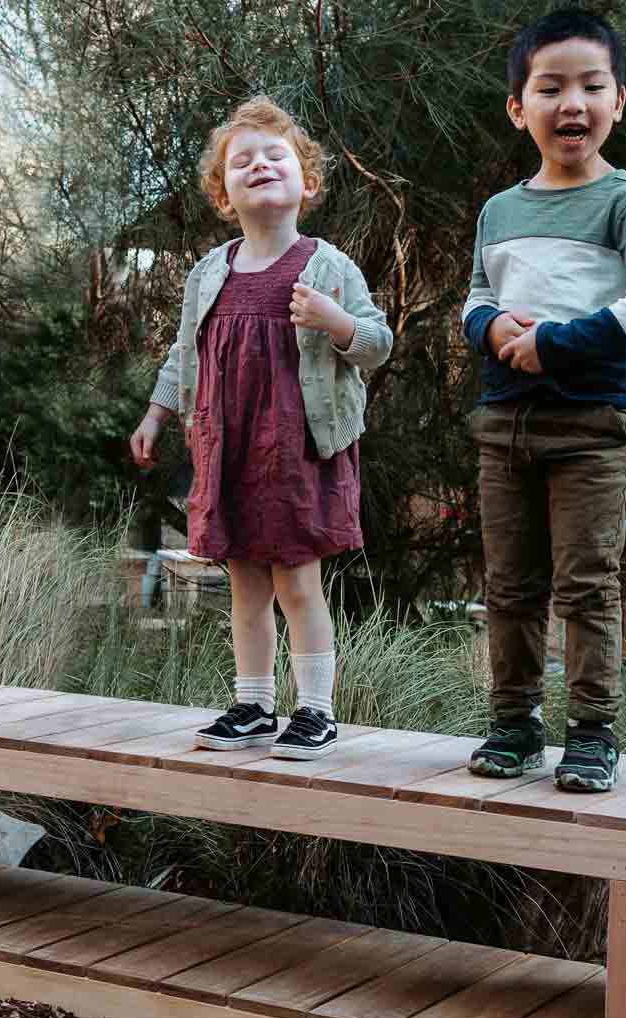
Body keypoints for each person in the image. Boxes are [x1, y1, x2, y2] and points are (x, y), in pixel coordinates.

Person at [460, 9, 626, 792]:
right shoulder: (501, 210)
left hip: (591, 425)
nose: (572, 103)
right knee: (510, 585)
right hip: (504, 424)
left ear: (618, 101)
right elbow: (476, 298)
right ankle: (513, 724)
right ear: (520, 108)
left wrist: (556, 341)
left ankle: (592, 731)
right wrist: (489, 330)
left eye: (592, 86)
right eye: (550, 87)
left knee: (586, 582)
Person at [130, 96, 392, 760]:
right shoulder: (208, 272)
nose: (259, 165)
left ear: (307, 181)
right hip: (229, 449)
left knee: (296, 581)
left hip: (296, 451)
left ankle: (316, 712)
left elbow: (375, 343)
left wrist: (336, 322)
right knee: (243, 580)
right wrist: (157, 413)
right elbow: (184, 352)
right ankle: (252, 705)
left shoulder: (327, 268)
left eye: (275, 156)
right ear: (224, 192)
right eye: (241, 160)